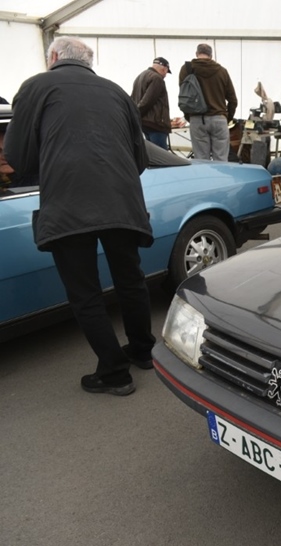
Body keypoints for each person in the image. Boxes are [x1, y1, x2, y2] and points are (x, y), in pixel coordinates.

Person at [4, 36, 155, 396]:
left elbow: (18, 156)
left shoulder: (35, 86)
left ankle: (115, 374)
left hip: (68, 203)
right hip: (122, 202)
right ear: (89, 61)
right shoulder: (116, 91)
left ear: (54, 56)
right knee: (131, 280)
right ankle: (142, 351)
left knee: (85, 292)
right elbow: (140, 158)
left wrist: (50, 164)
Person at [178, 43, 237, 161]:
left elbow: (184, 97)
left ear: (196, 54)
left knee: (201, 160)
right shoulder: (222, 71)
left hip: (197, 119)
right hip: (219, 119)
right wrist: (226, 117)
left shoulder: (187, 69)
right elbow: (232, 100)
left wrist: (189, 117)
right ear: (211, 55)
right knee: (221, 160)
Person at [131, 56, 172, 150]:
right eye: (166, 72)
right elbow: (147, 101)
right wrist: (137, 113)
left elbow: (133, 98)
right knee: (162, 155)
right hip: (155, 124)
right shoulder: (157, 78)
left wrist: (136, 115)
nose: (165, 75)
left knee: (151, 153)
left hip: (144, 123)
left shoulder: (140, 76)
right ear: (165, 68)